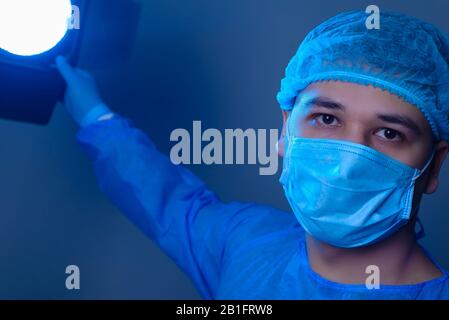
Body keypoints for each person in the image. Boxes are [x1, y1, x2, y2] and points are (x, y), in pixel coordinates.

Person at [55, 10, 449, 299]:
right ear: (285, 130)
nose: (349, 161)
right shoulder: (249, 242)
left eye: (388, 133)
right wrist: (94, 114)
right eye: (327, 118)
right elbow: (166, 200)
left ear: (433, 165)